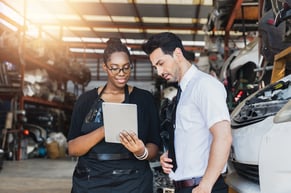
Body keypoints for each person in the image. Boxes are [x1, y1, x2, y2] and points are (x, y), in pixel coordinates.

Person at [142, 32, 232, 193]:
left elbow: (223, 137)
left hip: (202, 187)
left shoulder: (204, 85)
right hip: (184, 186)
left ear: (177, 54)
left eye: (161, 63)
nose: (159, 72)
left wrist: (206, 185)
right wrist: (172, 154)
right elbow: (193, 135)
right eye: (155, 66)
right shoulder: (183, 93)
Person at [67, 38, 161, 193]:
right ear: (105, 67)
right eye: (114, 68)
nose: (121, 74)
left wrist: (141, 152)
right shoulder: (86, 100)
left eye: (126, 68)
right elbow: (73, 149)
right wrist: (107, 129)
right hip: (91, 180)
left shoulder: (144, 100)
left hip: (133, 181)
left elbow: (154, 146)